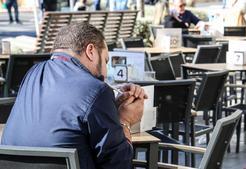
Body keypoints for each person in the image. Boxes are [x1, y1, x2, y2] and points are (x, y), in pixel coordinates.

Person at [1, 22, 147, 169]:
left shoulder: (33, 73)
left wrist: (111, 108)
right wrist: (124, 121)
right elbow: (118, 164)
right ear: (91, 51)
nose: (105, 73)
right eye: (105, 61)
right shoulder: (97, 90)